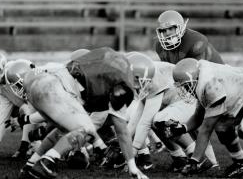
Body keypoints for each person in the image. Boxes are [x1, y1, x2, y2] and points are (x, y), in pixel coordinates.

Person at [10, 47, 148, 179]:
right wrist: (133, 166)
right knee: (85, 129)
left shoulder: (102, 67)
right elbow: (122, 132)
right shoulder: (119, 82)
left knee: (63, 131)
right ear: (133, 75)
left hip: (38, 84)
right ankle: (48, 160)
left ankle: (29, 165)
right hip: (55, 89)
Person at [126, 52, 218, 173]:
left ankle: (197, 158)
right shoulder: (146, 72)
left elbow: (145, 122)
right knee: (157, 122)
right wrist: (122, 144)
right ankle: (180, 158)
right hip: (180, 101)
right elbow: (136, 120)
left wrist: (132, 151)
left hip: (188, 100)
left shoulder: (152, 79)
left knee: (160, 121)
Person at [0, 53, 36, 159]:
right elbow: (4, 112)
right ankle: (33, 144)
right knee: (18, 113)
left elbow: (32, 103)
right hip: (31, 107)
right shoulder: (1, 88)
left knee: (25, 113)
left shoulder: (14, 73)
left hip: (41, 103)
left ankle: (31, 144)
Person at [155, 10, 223, 64]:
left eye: (170, 29)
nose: (167, 33)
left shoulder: (194, 41)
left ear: (180, 27)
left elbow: (194, 73)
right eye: (163, 30)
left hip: (216, 76)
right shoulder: (159, 46)